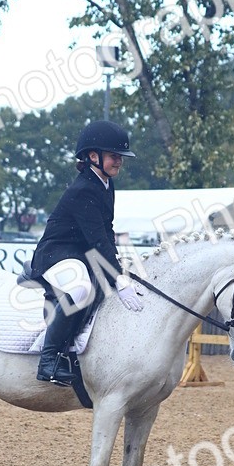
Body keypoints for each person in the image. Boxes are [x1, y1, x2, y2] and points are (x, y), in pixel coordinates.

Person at [30, 120, 143, 386]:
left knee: (103, 284)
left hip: (80, 254)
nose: (119, 162)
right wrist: (118, 278)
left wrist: (118, 269)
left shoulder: (105, 183)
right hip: (55, 253)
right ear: (93, 156)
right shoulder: (83, 190)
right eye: (114, 156)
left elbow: (107, 231)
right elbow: (97, 242)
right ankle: (49, 360)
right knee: (81, 288)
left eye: (120, 157)